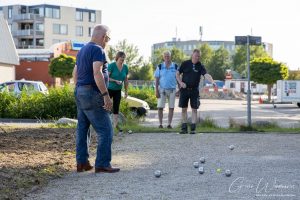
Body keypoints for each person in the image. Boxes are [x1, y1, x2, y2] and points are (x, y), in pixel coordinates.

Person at [72, 24, 120, 173]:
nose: (108, 42)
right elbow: (97, 72)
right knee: (106, 130)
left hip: (80, 91)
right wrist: (106, 96)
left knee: (82, 128)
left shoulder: (82, 51)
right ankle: (102, 164)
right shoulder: (98, 50)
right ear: (104, 37)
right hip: (92, 93)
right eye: (108, 39)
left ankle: (82, 162)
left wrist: (78, 89)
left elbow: (75, 72)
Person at [176, 49, 216, 134]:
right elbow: (177, 74)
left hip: (194, 90)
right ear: (192, 55)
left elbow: (206, 75)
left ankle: (193, 129)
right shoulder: (185, 63)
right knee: (184, 109)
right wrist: (180, 82)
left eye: (198, 56)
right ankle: (184, 128)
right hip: (184, 90)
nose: (197, 58)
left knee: (194, 109)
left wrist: (212, 81)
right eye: (195, 56)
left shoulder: (200, 66)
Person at [154, 50, 178, 129]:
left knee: (171, 107)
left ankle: (169, 124)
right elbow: (157, 79)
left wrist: (180, 89)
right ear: (163, 57)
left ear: (170, 57)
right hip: (162, 90)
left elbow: (179, 78)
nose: (167, 57)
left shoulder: (175, 66)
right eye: (165, 56)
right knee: (160, 107)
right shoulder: (160, 66)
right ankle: (160, 124)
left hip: (172, 90)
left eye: (168, 56)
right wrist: (156, 90)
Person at [108, 51, 129, 131]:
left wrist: (126, 91)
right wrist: (115, 80)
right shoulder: (112, 65)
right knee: (107, 106)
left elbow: (126, 80)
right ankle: (105, 124)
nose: (122, 59)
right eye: (121, 58)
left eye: (124, 58)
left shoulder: (125, 67)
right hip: (109, 89)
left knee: (116, 108)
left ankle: (115, 126)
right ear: (117, 58)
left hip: (118, 90)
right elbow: (106, 78)